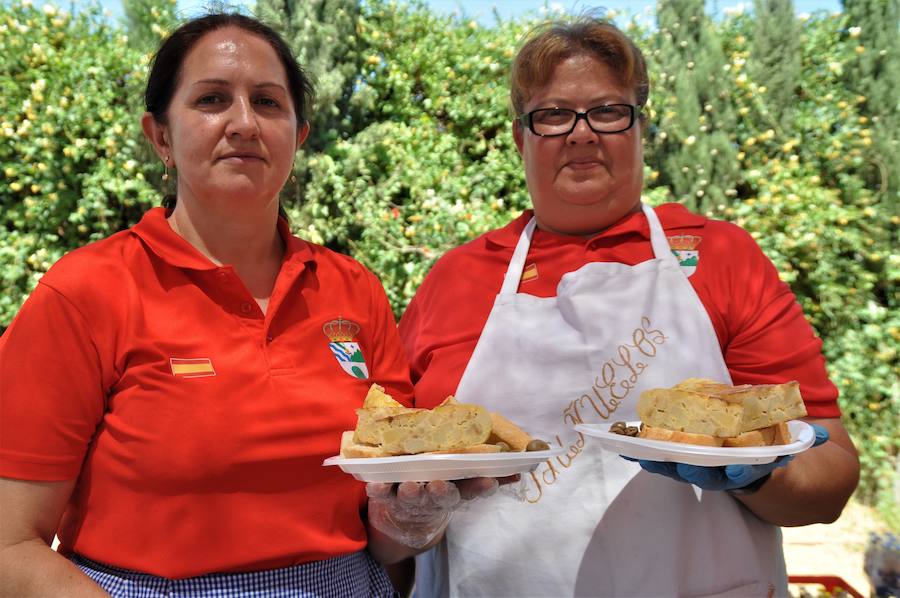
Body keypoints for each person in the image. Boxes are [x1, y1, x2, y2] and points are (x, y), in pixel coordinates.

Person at [382, 15, 861, 597]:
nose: (581, 134)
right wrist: (408, 519)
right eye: (553, 114)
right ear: (519, 138)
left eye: (607, 111)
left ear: (641, 128)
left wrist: (758, 474)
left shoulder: (721, 256)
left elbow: (832, 474)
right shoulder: (454, 280)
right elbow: (394, 477)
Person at [0, 13, 414, 597]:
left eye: (268, 103)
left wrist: (413, 519)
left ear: (297, 137)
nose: (244, 123)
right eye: (212, 99)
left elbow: (388, 523)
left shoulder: (355, 291)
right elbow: (9, 545)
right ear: (160, 136)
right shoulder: (85, 292)